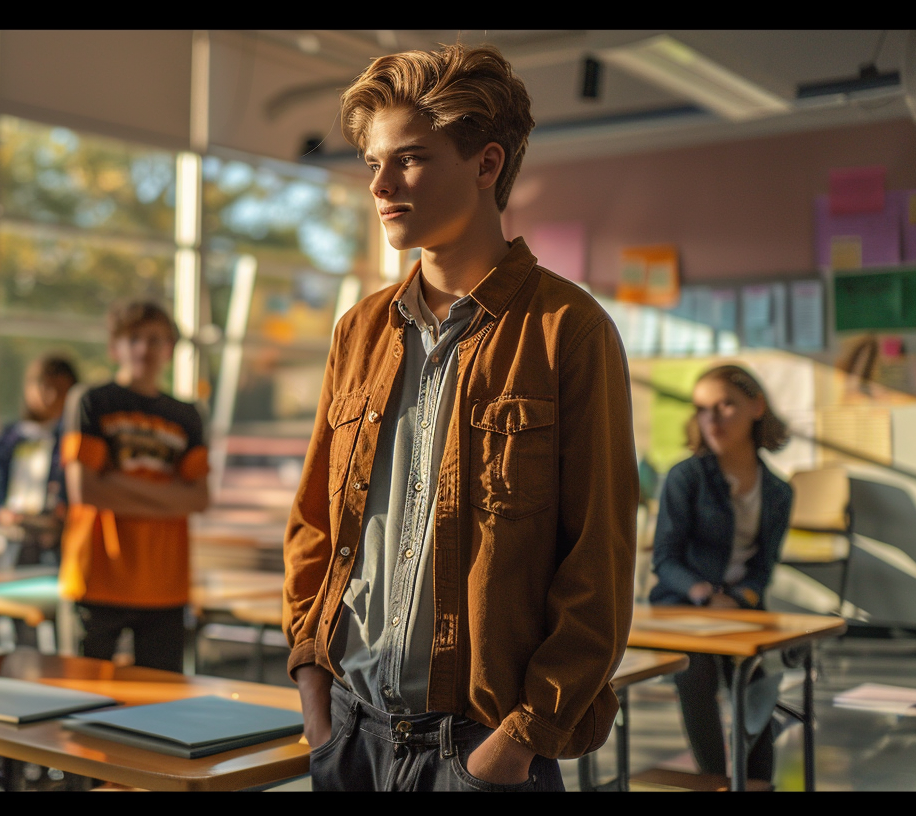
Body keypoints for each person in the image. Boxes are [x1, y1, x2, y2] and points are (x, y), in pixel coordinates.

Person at [282, 44, 638, 792]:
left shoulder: (567, 329)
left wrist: (518, 740)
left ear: (486, 165)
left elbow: (596, 562)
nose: (380, 185)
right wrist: (313, 682)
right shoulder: (359, 331)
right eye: (373, 161)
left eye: (409, 159)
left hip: (480, 753)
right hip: (347, 733)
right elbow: (315, 521)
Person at [649, 364, 794, 783]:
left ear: (757, 406)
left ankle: (755, 782)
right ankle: (713, 780)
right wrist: (702, 593)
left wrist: (740, 598)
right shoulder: (685, 477)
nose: (712, 419)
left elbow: (763, 568)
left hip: (740, 610)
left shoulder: (778, 491)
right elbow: (665, 558)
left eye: (725, 405)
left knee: (757, 689)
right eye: (702, 409)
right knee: (695, 676)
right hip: (685, 607)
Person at [59, 301, 209, 672]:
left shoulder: (187, 415)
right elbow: (85, 490)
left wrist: (115, 482)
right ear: (116, 347)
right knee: (80, 698)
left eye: (156, 339)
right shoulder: (91, 401)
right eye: (134, 338)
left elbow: (200, 497)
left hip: (164, 585)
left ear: (169, 349)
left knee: (161, 706)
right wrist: (168, 496)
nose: (144, 348)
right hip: (96, 578)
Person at [0, 353, 79, 566]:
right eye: (44, 387)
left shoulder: (73, 438)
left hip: (60, 544)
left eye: (61, 390)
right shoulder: (11, 438)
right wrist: (3, 514)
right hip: (17, 542)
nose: (51, 396)